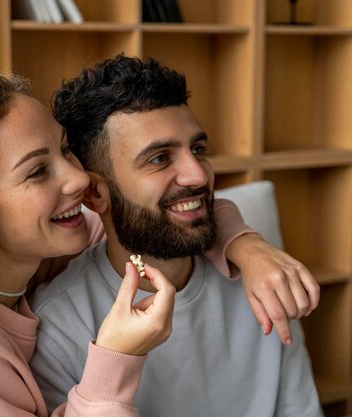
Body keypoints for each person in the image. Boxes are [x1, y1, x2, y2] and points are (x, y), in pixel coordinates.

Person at [0, 71, 314, 416]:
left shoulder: (34, 252)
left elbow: (158, 217)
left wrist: (247, 246)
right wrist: (112, 361)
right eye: (38, 171)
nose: (77, 179)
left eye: (65, 150)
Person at [29, 55, 324, 416]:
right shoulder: (60, 326)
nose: (198, 176)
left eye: (198, 150)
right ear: (95, 193)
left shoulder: (262, 279)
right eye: (159, 159)